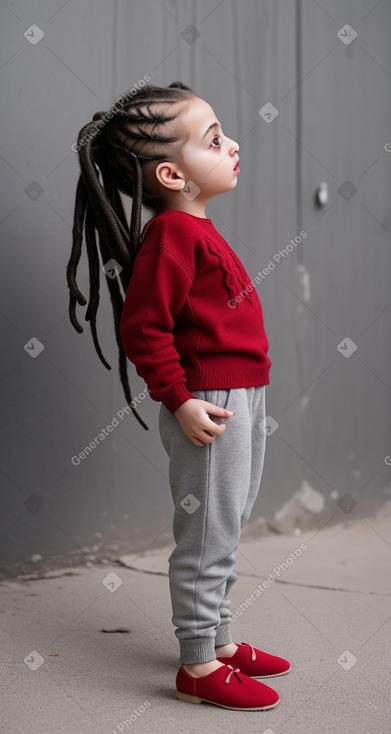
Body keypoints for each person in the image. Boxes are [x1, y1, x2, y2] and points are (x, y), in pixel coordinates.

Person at [67, 81, 291, 711]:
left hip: (242, 394)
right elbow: (143, 328)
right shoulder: (172, 236)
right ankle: (196, 665)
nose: (233, 144)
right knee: (205, 534)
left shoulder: (197, 228)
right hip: (209, 401)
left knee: (230, 521)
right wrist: (180, 399)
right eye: (215, 140)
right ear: (172, 173)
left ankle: (219, 640)